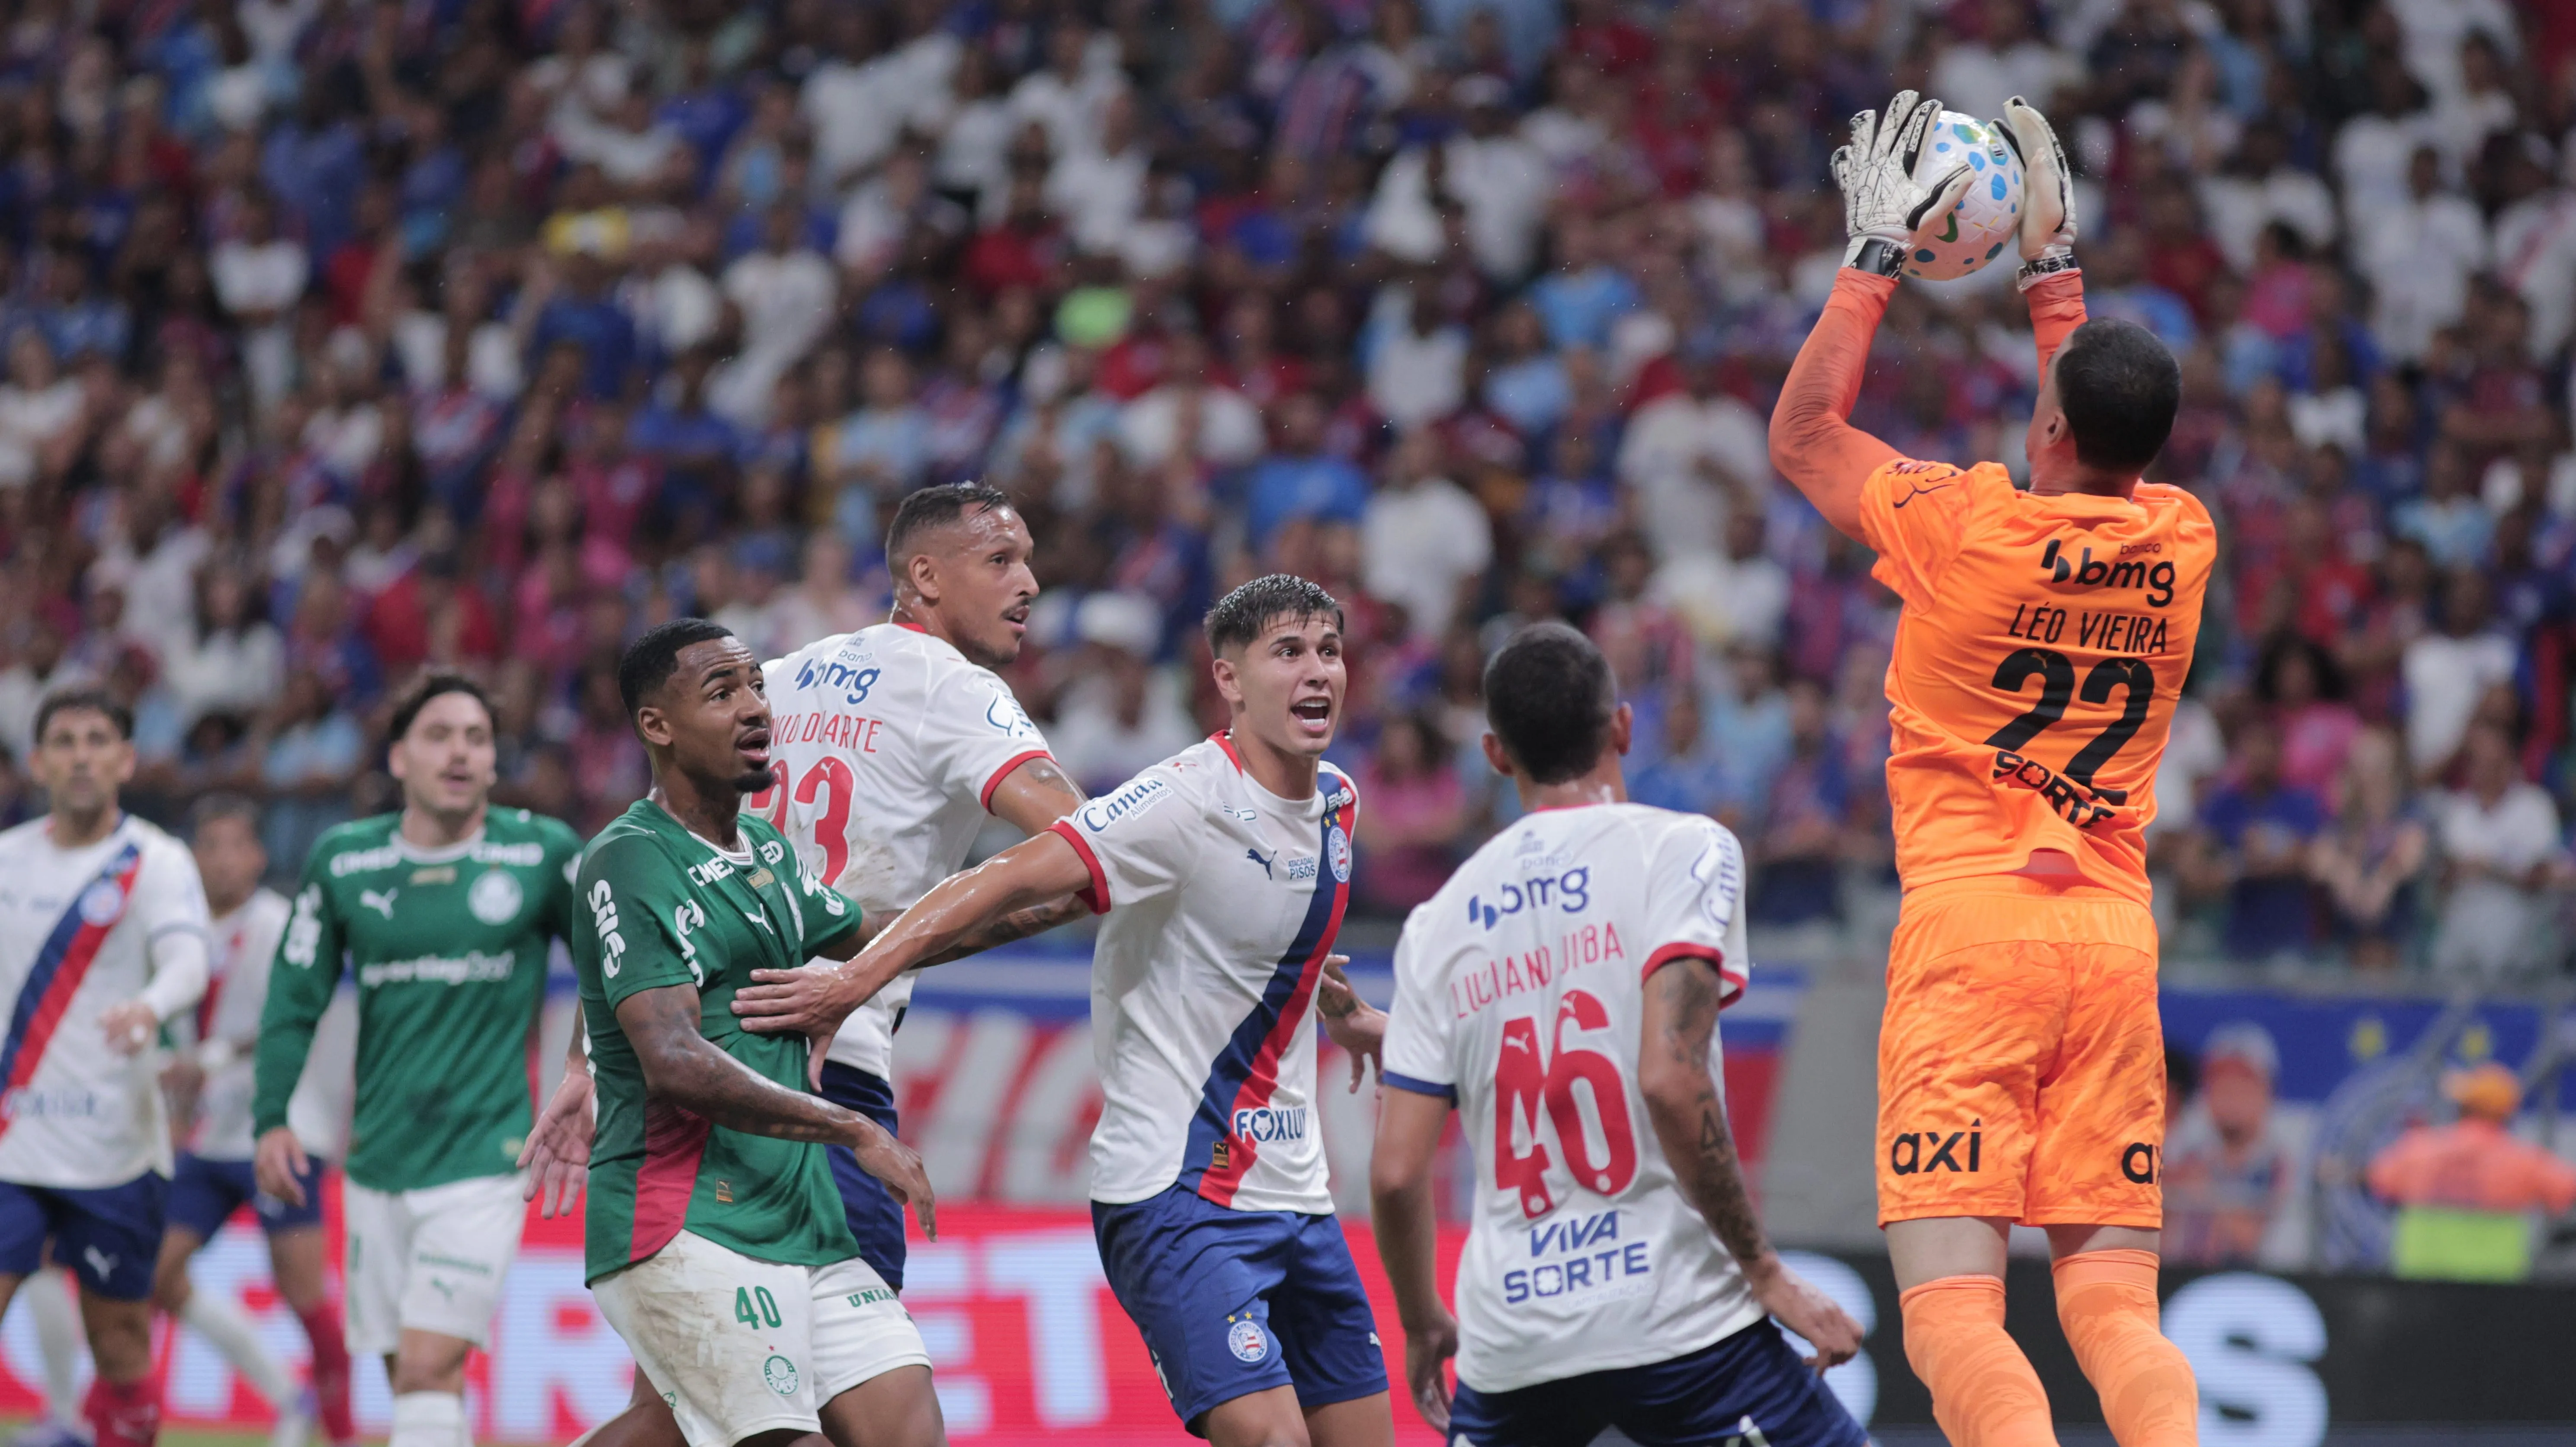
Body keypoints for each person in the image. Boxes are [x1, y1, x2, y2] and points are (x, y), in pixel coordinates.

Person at [1768, 91, 2211, 1447]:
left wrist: (1870, 259)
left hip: (1971, 933)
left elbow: (1801, 438)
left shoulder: (1963, 530)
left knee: (1958, 1313)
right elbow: (2086, 447)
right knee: (2112, 1309)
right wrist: (2054, 283)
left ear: (2050, 433)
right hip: (2109, 936)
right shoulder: (2181, 542)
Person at [735, 574, 1395, 1447]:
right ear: (1229, 679)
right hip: (1176, 1191)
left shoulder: (1336, 805)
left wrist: (1341, 1010)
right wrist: (853, 978)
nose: (1316, 673)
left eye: (1327, 652)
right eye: (1288, 653)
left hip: (1298, 1197)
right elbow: (1000, 875)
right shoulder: (1179, 801)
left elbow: (1270, 935)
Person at [532, 482, 1088, 1445]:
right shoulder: (956, 690)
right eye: (1000, 561)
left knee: (681, 1415)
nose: (1028, 583)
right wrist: (877, 967)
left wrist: (589, 1057)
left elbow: (659, 883)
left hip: (699, 1065)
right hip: (821, 1071)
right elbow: (1083, 848)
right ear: (924, 575)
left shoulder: (774, 681)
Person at [1367, 622, 1866, 1445]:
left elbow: (1394, 1174)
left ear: (1495, 755)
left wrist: (1423, 1321)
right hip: (1677, 1318)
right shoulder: (1686, 850)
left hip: (1513, 1338)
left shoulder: (1437, 922)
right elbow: (1670, 1078)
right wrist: (1765, 1272)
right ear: (1623, 727)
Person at [571, 617, 952, 1447]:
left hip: (800, 1215)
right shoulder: (629, 858)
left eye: (755, 688)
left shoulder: (770, 854)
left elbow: (888, 935)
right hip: (687, 1219)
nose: (754, 708)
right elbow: (672, 1062)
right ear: (656, 727)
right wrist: (852, 1128)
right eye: (722, 692)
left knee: (905, 1434)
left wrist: (1052, 888)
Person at [250, 674, 584, 1447]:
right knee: (413, 1380)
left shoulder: (541, 851)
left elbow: (615, 973)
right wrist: (272, 1118)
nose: (459, 752)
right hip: (376, 1162)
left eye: (476, 737)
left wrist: (586, 1068)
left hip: (487, 1157)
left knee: (431, 1365)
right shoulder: (344, 861)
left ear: (496, 762)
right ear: (399, 758)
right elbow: (291, 1002)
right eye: (439, 735)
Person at [0, 688, 214, 1447]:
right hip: (11, 1141)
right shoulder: (7, 859)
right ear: (37, 762)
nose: (81, 754)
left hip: (114, 1147)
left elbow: (190, 959)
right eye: (64, 740)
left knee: (121, 1345)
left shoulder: (154, 860)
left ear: (126, 759)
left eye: (98, 739)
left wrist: (151, 1007)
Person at [154, 794, 360, 1447]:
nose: (220, 858)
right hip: (212, 1135)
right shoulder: (182, 932)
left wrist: (209, 1058)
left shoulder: (278, 922)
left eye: (234, 844)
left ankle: (343, 1432)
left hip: (281, 1130)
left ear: (258, 854)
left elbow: (288, 1014)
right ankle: (285, 1393)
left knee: (303, 1294)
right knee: (157, 1274)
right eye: (208, 844)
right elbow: (187, 1035)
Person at [2368, 1062, 2576, 1282]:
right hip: (2495, 1295)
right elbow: (2567, 1192)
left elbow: (2378, 1180)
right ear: (2508, 1115)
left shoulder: (2417, 1151)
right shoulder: (2525, 1161)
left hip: (2419, 1289)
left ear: (2463, 1107)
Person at [2161, 1023, 2292, 1268]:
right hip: (2180, 1283)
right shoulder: (2186, 1154)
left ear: (2268, 1092)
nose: (2231, 1096)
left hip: (2255, 1290)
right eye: (2221, 1084)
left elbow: (2252, 1241)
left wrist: (2203, 1191)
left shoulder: (2278, 1163)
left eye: (2243, 1085)